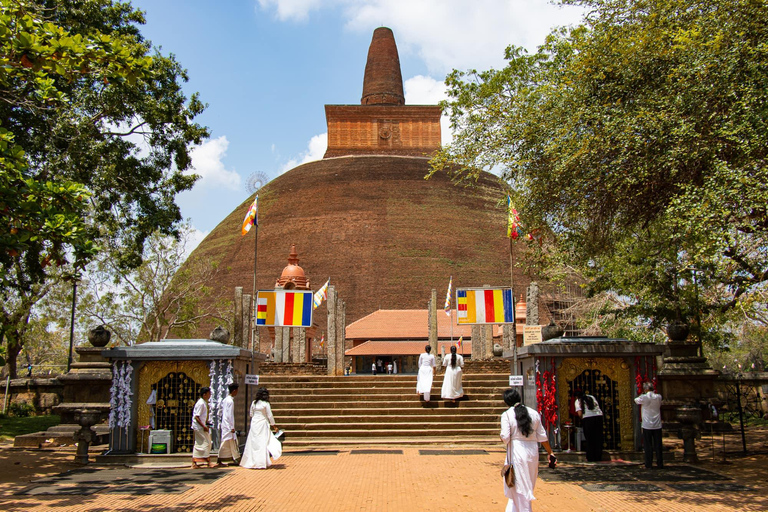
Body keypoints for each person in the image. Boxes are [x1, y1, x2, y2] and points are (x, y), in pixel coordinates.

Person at [500, 388, 556, 512]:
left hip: (517, 453)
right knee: (525, 486)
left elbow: (505, 437)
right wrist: (550, 452)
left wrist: (501, 437)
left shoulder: (507, 415)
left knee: (521, 490)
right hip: (532, 453)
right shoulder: (534, 413)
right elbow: (542, 437)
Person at [240, 387, 282, 469]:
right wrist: (274, 426)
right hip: (262, 424)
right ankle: (261, 462)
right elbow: (270, 416)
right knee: (263, 443)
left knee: (253, 443)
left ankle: (252, 461)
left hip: (254, 424)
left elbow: (251, 414)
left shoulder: (254, 403)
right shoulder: (266, 404)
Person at [634, 382, 663, 468]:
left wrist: (642, 394)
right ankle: (660, 463)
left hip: (647, 424)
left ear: (645, 389)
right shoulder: (658, 397)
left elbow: (636, 400)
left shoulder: (644, 397)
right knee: (658, 445)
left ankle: (648, 463)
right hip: (657, 424)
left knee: (648, 445)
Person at [574, 389, 604, 462]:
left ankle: (590, 457)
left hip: (588, 418)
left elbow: (580, 413)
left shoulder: (578, 401)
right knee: (598, 437)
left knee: (590, 438)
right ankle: (598, 456)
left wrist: (582, 418)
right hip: (598, 417)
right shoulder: (591, 397)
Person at [217, 383, 240, 467]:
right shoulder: (230, 401)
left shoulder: (226, 399)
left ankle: (233, 458)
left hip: (225, 424)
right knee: (230, 442)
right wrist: (231, 427)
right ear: (234, 391)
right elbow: (229, 414)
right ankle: (234, 458)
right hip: (228, 425)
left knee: (229, 442)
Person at [191, 387, 214, 468]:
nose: (210, 395)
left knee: (200, 443)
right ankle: (207, 461)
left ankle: (195, 462)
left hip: (200, 426)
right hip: (199, 427)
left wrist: (206, 422)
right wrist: (204, 426)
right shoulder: (201, 403)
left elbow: (200, 416)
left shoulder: (203, 402)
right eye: (209, 393)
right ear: (204, 395)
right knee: (206, 442)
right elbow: (197, 417)